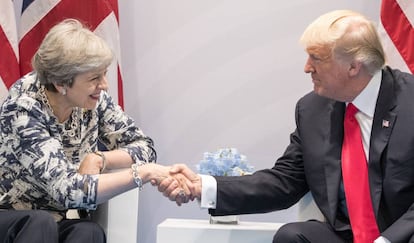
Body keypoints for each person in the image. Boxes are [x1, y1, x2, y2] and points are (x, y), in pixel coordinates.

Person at [160, 10, 414, 243]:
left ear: (353, 66)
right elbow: (285, 182)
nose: (306, 68)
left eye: (316, 58)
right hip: (349, 235)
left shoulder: (409, 101)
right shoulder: (312, 110)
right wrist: (203, 186)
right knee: (291, 236)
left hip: (403, 234)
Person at [0, 19, 187, 243]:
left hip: (53, 217)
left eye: (104, 74)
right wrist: (144, 173)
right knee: (40, 222)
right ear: (61, 83)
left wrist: (100, 158)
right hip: (10, 216)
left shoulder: (94, 101)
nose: (105, 85)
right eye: (94, 78)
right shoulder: (23, 109)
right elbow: (68, 191)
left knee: (88, 231)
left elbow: (144, 147)